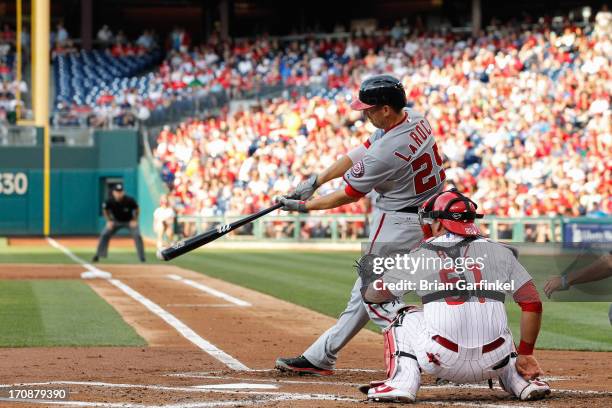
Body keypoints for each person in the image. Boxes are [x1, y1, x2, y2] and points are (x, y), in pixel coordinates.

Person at [274, 74, 447, 375]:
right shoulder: (415, 119)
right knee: (363, 295)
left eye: (369, 108)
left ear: (385, 109)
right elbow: (360, 152)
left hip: (397, 222)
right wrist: (316, 181)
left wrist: (305, 206)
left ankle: (434, 354)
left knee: (375, 296)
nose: (363, 113)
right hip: (425, 214)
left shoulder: (387, 151)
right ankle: (321, 356)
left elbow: (348, 194)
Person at [358, 189, 551, 402]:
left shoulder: (421, 254)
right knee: (496, 321)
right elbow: (532, 303)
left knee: (405, 317)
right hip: (496, 361)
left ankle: (402, 383)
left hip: (440, 359)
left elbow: (375, 296)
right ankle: (521, 381)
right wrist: (526, 352)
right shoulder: (500, 251)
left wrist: (371, 280)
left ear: (439, 223)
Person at [93, 183, 145, 262]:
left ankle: (141, 257)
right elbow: (105, 210)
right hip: (115, 221)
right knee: (104, 234)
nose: (119, 194)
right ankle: (98, 255)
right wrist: (109, 221)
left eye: (120, 192)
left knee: (137, 235)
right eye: (117, 192)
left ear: (123, 192)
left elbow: (137, 208)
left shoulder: (129, 200)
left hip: (129, 221)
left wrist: (135, 220)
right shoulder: (109, 201)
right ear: (113, 192)